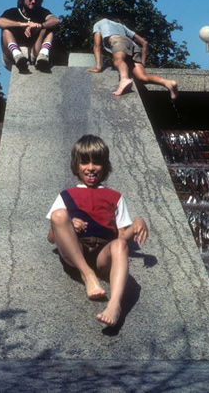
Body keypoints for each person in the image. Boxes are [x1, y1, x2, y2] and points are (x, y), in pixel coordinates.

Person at [46, 135, 149, 327]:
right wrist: (69, 223)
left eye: (97, 162)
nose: (91, 168)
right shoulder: (66, 195)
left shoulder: (115, 197)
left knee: (118, 244)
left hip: (103, 255)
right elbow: (52, 237)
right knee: (59, 215)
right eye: (85, 162)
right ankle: (87, 274)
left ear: (105, 166)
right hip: (76, 252)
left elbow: (121, 239)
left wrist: (137, 222)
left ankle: (114, 305)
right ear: (76, 166)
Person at [87, 17, 178, 99]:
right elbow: (144, 43)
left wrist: (98, 67)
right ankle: (168, 82)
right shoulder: (121, 26)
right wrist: (142, 63)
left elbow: (97, 46)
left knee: (118, 60)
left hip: (117, 41)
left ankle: (124, 79)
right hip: (132, 45)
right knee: (142, 77)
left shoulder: (99, 23)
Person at [0, 0, 60, 72]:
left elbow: (56, 20)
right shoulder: (13, 12)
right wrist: (23, 25)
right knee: (6, 29)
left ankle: (44, 54)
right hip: (13, 54)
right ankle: (17, 55)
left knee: (49, 27)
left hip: (34, 51)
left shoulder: (42, 12)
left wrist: (39, 26)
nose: (33, 1)